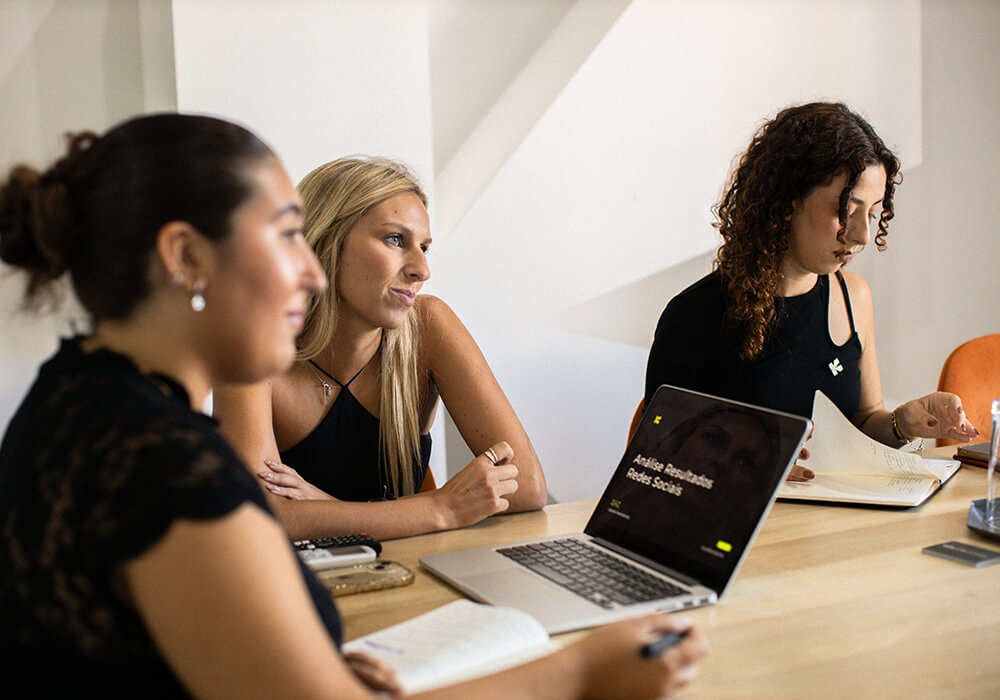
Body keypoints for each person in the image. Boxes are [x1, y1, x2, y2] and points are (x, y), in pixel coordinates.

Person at [0, 113, 706, 698]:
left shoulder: (75, 399)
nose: (308, 270)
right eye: (285, 235)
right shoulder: (160, 467)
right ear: (185, 257)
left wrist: (309, 669)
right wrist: (580, 673)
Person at [213, 156, 547, 540]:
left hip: (412, 581)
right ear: (325, 241)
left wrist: (324, 510)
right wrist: (439, 509)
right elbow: (260, 518)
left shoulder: (429, 326)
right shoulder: (249, 347)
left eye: (424, 246)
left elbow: (527, 485)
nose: (422, 269)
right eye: (395, 240)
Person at [644, 102, 978, 480]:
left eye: (872, 214)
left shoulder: (854, 298)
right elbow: (657, 457)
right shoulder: (694, 315)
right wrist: (750, 473)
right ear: (787, 201)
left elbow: (864, 423)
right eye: (846, 211)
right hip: (739, 531)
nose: (862, 236)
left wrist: (904, 423)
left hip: (831, 525)